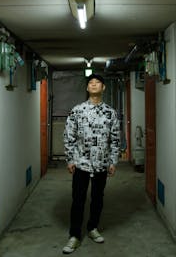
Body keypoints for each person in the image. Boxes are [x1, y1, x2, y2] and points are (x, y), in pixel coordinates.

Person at [62, 73, 121, 254]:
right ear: (87, 88)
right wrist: (70, 159)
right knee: (78, 199)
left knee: (98, 198)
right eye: (91, 83)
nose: (94, 85)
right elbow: (69, 136)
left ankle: (92, 228)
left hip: (102, 164)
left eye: (98, 83)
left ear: (103, 88)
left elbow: (116, 139)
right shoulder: (77, 110)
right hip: (81, 163)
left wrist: (113, 161)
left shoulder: (111, 113)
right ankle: (74, 235)